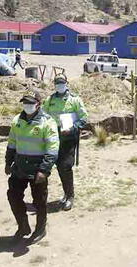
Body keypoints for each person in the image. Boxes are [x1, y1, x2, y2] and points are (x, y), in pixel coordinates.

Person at [6, 91, 59, 244]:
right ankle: (23, 226)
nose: (27, 106)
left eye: (30, 103)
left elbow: (53, 148)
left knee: (39, 201)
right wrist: (8, 162)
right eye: (25, 102)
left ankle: (41, 228)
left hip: (38, 168)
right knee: (13, 196)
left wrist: (44, 170)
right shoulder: (17, 120)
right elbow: (12, 143)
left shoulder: (47, 122)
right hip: (20, 166)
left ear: (38, 104)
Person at [42, 74, 88, 211]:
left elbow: (84, 117)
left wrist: (74, 127)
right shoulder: (49, 100)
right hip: (54, 138)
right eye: (57, 83)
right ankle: (66, 193)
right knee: (58, 166)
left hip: (69, 138)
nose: (59, 85)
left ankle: (70, 196)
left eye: (62, 83)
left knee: (66, 166)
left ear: (66, 83)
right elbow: (44, 116)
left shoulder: (74, 100)